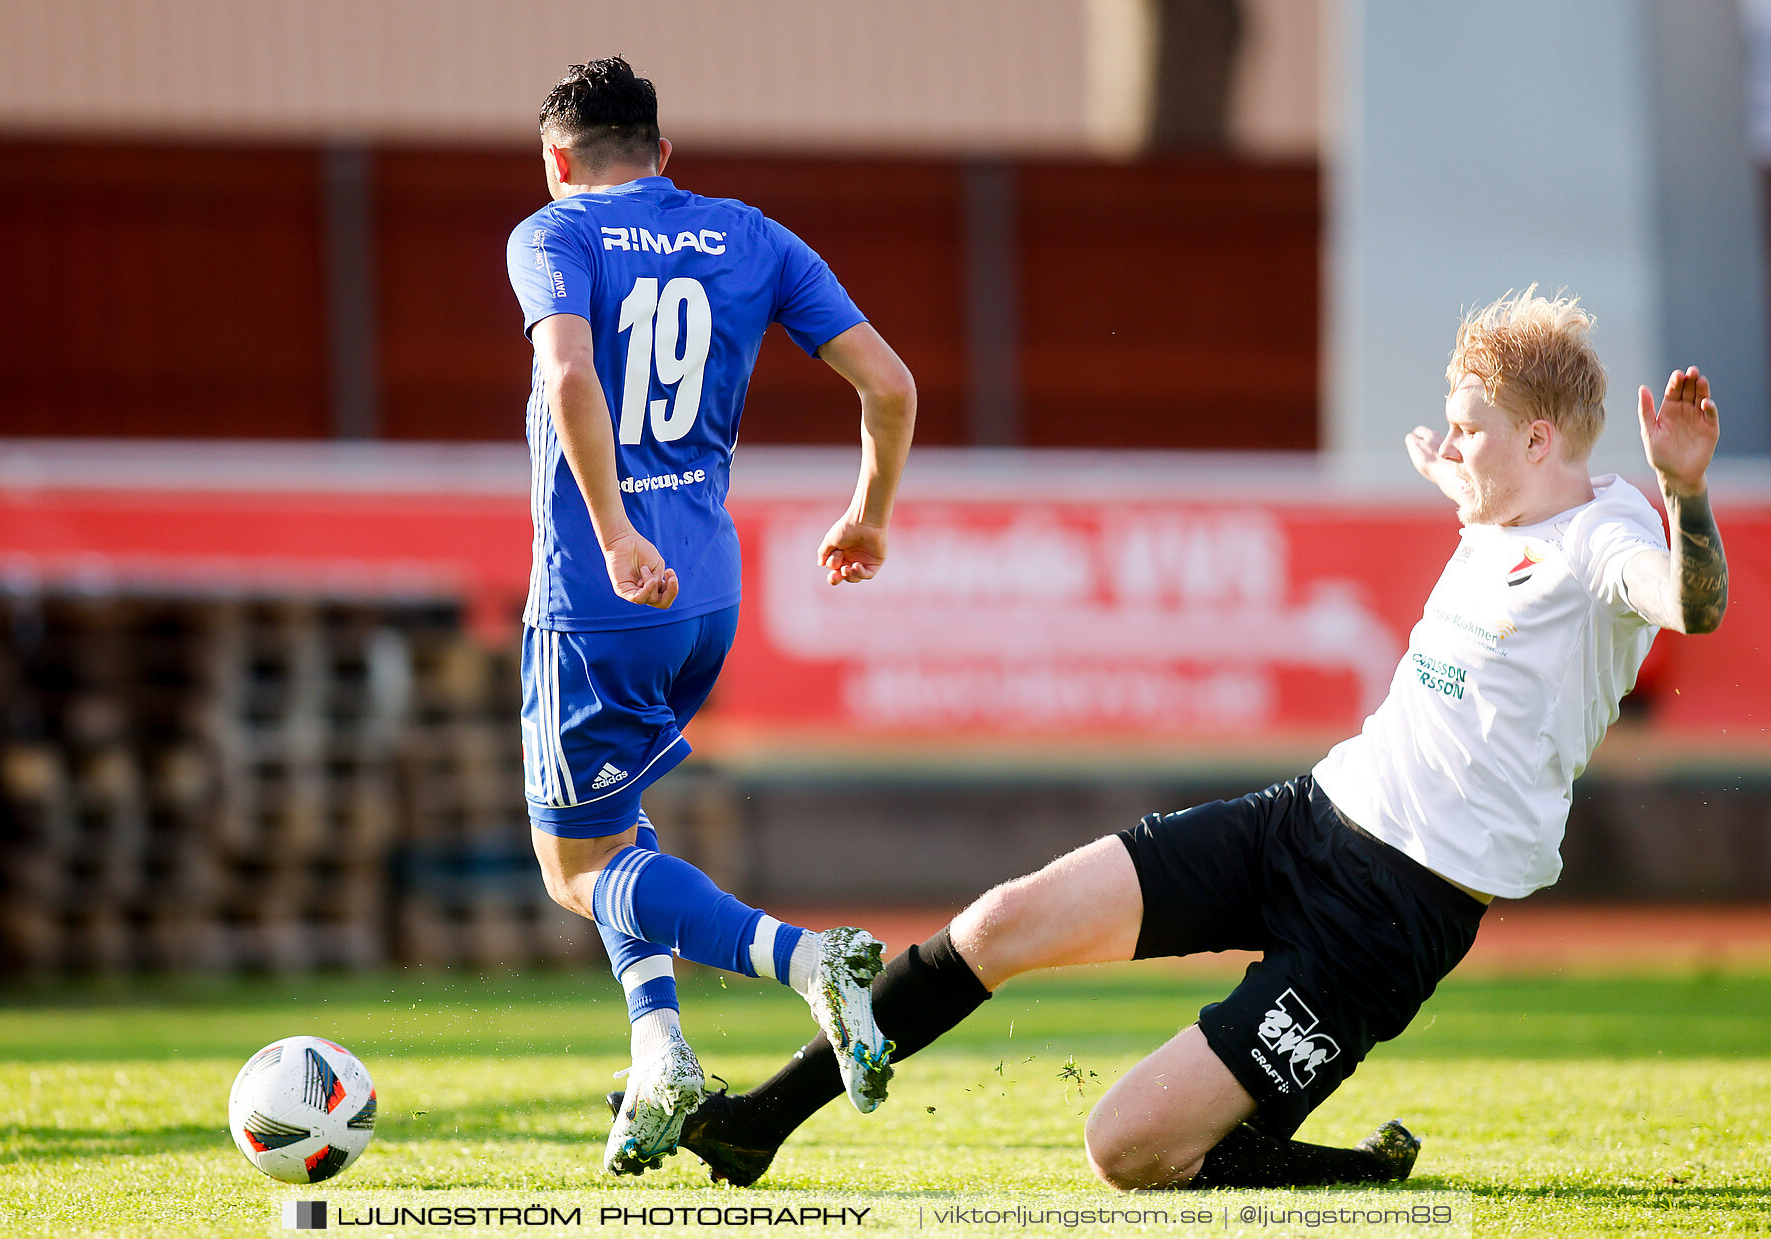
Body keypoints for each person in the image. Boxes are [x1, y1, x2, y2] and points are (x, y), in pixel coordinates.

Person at [631, 289, 1729, 1189]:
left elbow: (1693, 603)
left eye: (1470, 427)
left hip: (1393, 916)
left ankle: (1337, 1177)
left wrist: (1685, 490)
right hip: (1306, 820)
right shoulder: (1504, 503)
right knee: (1005, 920)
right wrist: (1457, 469)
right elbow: (1493, 504)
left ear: (1540, 439)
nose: (1451, 445)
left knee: (1129, 1152)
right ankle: (760, 1121)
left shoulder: (1609, 536)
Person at [504, 56, 917, 1176]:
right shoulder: (752, 236)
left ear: (557, 162)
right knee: (617, 826)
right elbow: (890, 385)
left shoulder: (553, 237)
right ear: (663, 153)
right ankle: (661, 1052)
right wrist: (866, 517)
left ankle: (803, 960)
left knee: (571, 867)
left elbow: (569, 381)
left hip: (602, 597)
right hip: (709, 595)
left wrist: (614, 534)